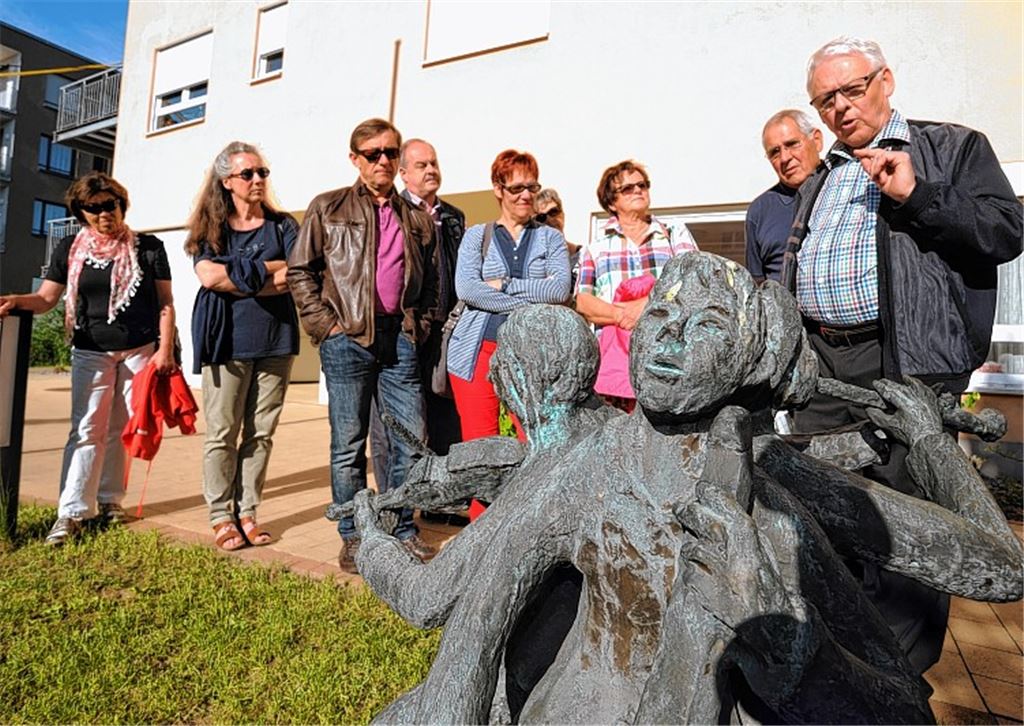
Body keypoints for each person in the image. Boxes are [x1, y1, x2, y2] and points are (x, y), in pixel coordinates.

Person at [782, 36, 1023, 673]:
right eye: (823, 99)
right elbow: (797, 261)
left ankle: (897, 682)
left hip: (906, 365)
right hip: (823, 370)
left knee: (907, 528)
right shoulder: (825, 173)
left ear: (885, 81)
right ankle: (843, 664)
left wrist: (918, 196)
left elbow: (1004, 232)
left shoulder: (950, 147)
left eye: (851, 90)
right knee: (828, 514)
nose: (838, 107)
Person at [287, 118, 438, 573]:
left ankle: (399, 528)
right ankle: (353, 535)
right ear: (355, 158)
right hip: (346, 340)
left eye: (390, 152)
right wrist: (326, 327)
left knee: (411, 441)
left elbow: (429, 284)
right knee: (348, 445)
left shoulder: (415, 217)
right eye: (373, 154)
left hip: (400, 340)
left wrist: (420, 326)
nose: (383, 161)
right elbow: (301, 271)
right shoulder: (327, 207)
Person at [0, 172, 176, 545]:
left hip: (140, 350)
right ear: (81, 212)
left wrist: (165, 349)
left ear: (121, 204)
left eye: (108, 205)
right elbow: (47, 299)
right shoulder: (70, 247)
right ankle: (72, 512)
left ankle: (111, 501)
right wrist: (17, 301)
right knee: (85, 430)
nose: (102, 214)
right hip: (90, 350)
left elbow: (165, 303)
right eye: (91, 208)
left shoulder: (149, 247)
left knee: (122, 429)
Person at [185, 141, 299, 551]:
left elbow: (296, 274)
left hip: (275, 339)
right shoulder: (209, 230)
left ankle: (248, 511)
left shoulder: (283, 226)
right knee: (222, 432)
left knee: (261, 433)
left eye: (262, 173)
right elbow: (210, 278)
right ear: (226, 181)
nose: (257, 180)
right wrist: (267, 270)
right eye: (248, 174)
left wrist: (237, 270)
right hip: (225, 341)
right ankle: (221, 515)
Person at [446, 149, 571, 442]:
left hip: (532, 354)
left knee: (537, 441)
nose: (526, 195)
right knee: (481, 444)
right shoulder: (477, 236)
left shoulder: (550, 237)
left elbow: (558, 290)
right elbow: (467, 290)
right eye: (517, 188)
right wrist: (531, 296)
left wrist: (502, 284)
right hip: (478, 351)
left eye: (532, 187)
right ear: (498, 189)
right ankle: (483, 492)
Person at [575, 160, 698, 410]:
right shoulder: (595, 247)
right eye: (628, 188)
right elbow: (583, 302)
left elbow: (692, 281)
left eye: (642, 185)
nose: (638, 191)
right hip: (615, 361)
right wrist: (623, 315)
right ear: (611, 202)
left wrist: (647, 307)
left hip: (669, 353)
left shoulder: (674, 234)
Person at [745, 109, 823, 283]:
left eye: (792, 144)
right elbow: (756, 283)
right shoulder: (760, 211)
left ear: (816, 140)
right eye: (775, 152)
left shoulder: (844, 187)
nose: (785, 158)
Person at [533, 188, 579, 287]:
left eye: (554, 211)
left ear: (562, 214)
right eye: (542, 217)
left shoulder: (584, 256)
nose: (550, 219)